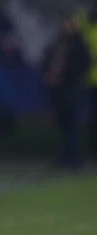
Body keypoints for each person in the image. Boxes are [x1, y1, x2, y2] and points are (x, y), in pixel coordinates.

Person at [42, 15, 92, 168]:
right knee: (63, 125)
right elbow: (47, 60)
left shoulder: (78, 44)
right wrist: (50, 74)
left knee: (72, 126)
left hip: (72, 89)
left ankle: (74, 159)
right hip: (59, 91)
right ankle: (65, 157)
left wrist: (66, 74)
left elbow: (84, 63)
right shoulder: (57, 44)